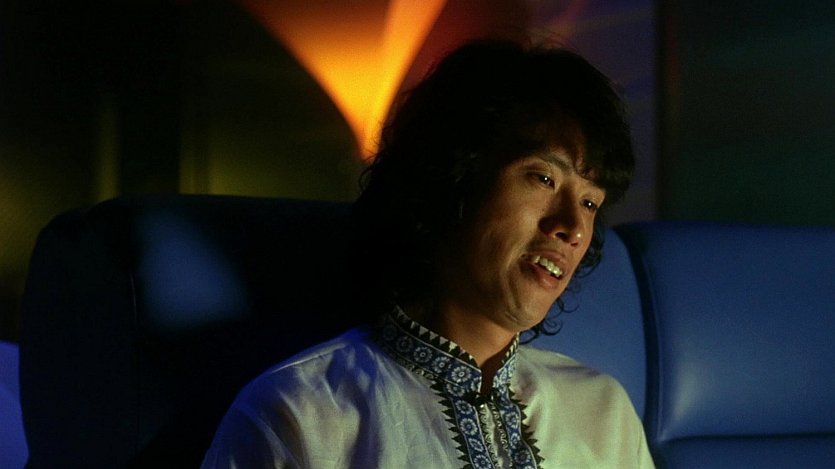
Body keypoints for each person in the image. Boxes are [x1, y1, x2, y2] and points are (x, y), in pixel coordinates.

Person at [202, 38, 654, 468]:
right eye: (544, 179)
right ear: (452, 180)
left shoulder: (604, 413)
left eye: (590, 203)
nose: (573, 228)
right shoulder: (298, 416)